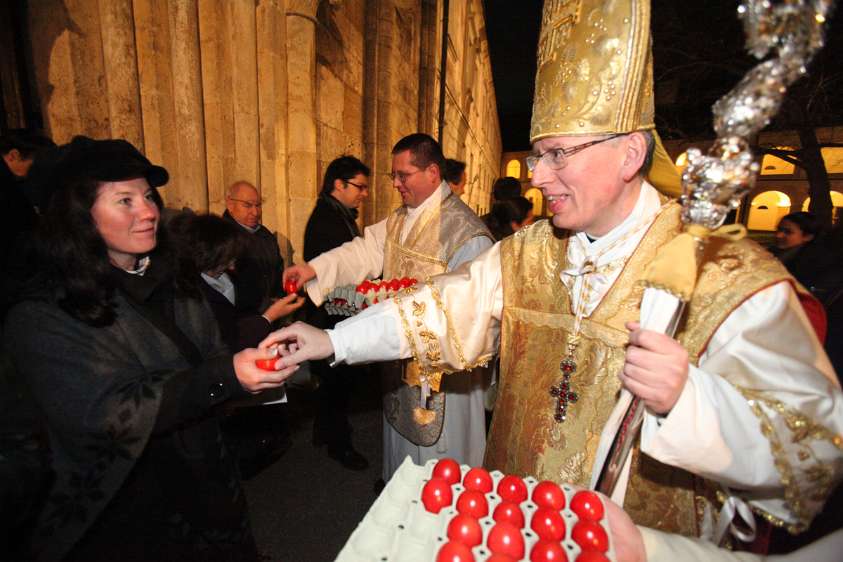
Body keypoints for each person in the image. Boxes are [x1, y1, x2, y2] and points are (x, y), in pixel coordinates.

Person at [268, 0, 843, 545]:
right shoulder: (529, 252)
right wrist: (331, 340)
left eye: (558, 154)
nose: (537, 176)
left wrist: (691, 400)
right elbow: (443, 308)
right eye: (538, 154)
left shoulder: (725, 276)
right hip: (514, 527)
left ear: (629, 154)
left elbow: (816, 455)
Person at [3, 136, 294, 560]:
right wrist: (225, 375)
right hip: (123, 514)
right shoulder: (42, 313)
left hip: (210, 491)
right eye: (125, 201)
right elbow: (107, 412)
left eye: (148, 196)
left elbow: (212, 353)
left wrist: (252, 370)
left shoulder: (178, 279)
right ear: (78, 216)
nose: (148, 212)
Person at [283, 133, 493, 483]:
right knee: (399, 443)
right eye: (393, 176)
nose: (395, 183)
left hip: (443, 375)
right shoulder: (400, 218)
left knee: (440, 466)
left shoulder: (467, 234)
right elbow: (364, 251)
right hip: (397, 357)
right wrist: (313, 269)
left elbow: (469, 318)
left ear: (432, 172)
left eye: (403, 175)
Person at [303, 155, 371, 470]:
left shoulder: (340, 213)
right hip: (333, 316)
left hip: (338, 312)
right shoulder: (327, 221)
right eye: (359, 186)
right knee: (336, 384)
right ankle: (339, 444)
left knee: (335, 384)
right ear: (338, 184)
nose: (364, 193)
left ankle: (325, 432)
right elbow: (334, 277)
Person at [224, 180, 285, 315]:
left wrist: (279, 297)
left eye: (258, 205)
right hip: (243, 316)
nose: (255, 212)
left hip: (271, 313)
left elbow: (278, 268)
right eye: (247, 205)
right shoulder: (223, 237)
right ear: (230, 204)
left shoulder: (265, 234)